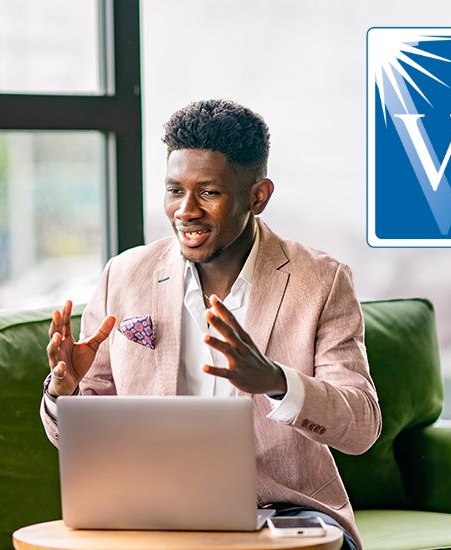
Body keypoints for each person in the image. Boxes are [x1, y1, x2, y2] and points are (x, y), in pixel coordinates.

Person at [39, 99, 380, 549]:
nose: (186, 210)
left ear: (257, 197)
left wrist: (276, 381)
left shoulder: (320, 281)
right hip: (154, 515)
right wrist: (66, 391)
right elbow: (76, 436)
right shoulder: (124, 276)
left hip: (285, 514)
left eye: (209, 192)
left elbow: (361, 427)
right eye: (175, 190)